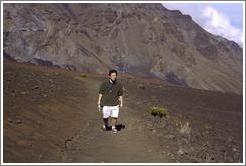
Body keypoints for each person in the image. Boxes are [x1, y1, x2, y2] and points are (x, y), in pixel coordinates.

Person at [97, 69, 123, 133]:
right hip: (106, 103)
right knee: (105, 117)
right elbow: (101, 93)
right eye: (112, 75)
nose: (114, 77)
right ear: (109, 76)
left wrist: (121, 102)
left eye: (115, 75)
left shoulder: (118, 84)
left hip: (115, 104)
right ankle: (106, 125)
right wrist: (99, 101)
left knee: (115, 116)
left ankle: (113, 127)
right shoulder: (104, 84)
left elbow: (120, 94)